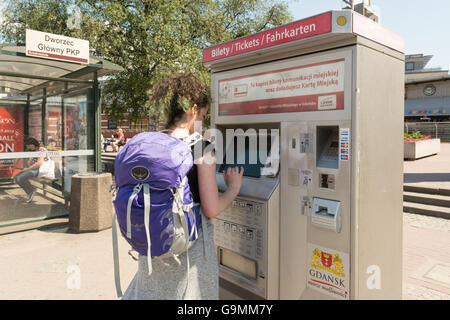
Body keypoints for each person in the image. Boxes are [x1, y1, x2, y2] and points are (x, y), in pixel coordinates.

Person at [121, 73, 243, 300]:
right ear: (193, 110)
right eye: (203, 117)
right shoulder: (201, 147)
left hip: (152, 245)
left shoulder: (148, 143)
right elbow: (211, 209)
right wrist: (233, 188)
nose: (203, 124)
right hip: (189, 251)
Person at [13, 137, 47, 203]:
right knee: (15, 177)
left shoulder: (42, 149)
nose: (28, 147)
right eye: (27, 146)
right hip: (34, 169)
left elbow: (39, 163)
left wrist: (28, 169)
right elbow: (30, 163)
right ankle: (30, 191)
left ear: (33, 144)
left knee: (20, 178)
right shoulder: (34, 151)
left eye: (29, 146)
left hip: (41, 169)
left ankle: (31, 191)